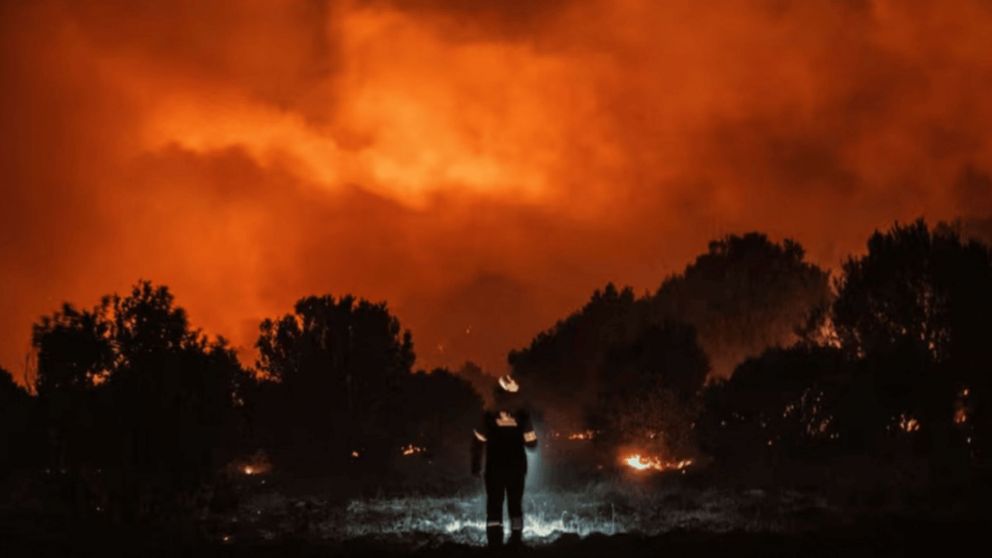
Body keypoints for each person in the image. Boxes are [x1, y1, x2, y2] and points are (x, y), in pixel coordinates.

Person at [471, 374, 538, 548]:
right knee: (515, 505)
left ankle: (494, 542)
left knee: (494, 504)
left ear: (497, 394)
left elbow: (478, 441)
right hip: (516, 468)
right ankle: (516, 540)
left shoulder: (488, 415)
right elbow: (532, 443)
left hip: (494, 468)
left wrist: (476, 465)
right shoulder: (523, 415)